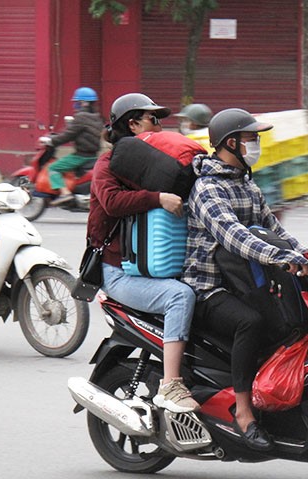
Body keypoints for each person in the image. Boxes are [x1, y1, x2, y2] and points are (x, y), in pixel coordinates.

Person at [182, 108, 308, 451]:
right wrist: (281, 257)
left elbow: (274, 228)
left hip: (245, 281)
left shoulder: (245, 182)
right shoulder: (207, 189)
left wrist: (307, 255)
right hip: (209, 288)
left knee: (293, 321)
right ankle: (243, 413)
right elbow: (233, 236)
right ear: (231, 143)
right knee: (251, 323)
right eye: (251, 138)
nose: (256, 144)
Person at [87, 92, 199, 412]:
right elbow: (111, 202)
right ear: (133, 124)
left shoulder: (154, 165)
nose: (159, 125)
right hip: (119, 272)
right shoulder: (108, 163)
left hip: (153, 265)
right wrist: (158, 198)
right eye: (153, 119)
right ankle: (170, 385)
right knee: (180, 297)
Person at [41, 87, 103, 205]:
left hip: (81, 156)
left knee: (53, 168)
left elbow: (68, 135)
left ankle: (65, 193)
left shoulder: (81, 117)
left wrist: (52, 141)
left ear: (83, 103)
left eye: (77, 102)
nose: (75, 105)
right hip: (93, 155)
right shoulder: (97, 117)